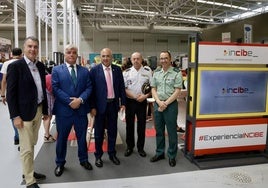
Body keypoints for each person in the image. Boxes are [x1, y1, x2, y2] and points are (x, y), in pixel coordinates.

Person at [6, 36, 48, 188]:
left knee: (33, 143)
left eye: (35, 47)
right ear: (24, 48)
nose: (33, 49)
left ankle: (28, 170)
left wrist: (45, 110)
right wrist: (15, 116)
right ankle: (30, 180)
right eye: (30, 46)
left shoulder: (41, 66)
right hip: (23, 114)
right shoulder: (16, 67)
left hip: (37, 110)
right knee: (26, 147)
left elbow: (42, 90)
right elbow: (11, 94)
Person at [52, 44, 93, 177]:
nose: (71, 54)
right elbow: (55, 88)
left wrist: (80, 100)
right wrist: (70, 101)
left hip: (80, 110)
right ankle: (60, 163)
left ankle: (84, 160)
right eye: (69, 52)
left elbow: (89, 88)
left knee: (82, 138)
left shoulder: (84, 71)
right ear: (65, 54)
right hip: (64, 111)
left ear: (77, 55)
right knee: (62, 138)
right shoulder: (57, 70)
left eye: (74, 52)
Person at [89, 48, 126, 168]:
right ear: (100, 57)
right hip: (99, 107)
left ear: (112, 57)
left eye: (108, 56)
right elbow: (92, 91)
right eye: (103, 56)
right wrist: (92, 107)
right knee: (99, 133)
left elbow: (121, 87)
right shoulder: (94, 70)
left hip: (113, 105)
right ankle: (98, 156)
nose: (105, 58)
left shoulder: (117, 70)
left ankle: (112, 153)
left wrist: (123, 103)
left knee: (113, 131)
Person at [150, 51, 183, 167]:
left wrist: (165, 103)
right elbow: (153, 88)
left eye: (165, 58)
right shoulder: (156, 72)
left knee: (172, 131)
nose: (163, 60)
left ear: (170, 59)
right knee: (159, 130)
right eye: (161, 58)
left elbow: (177, 90)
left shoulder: (176, 73)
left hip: (171, 106)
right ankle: (159, 153)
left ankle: (171, 155)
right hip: (158, 104)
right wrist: (159, 102)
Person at [123, 52, 152, 157]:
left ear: (141, 59)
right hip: (130, 102)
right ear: (131, 60)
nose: (136, 60)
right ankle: (129, 147)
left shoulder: (148, 71)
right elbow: (124, 89)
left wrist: (145, 96)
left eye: (138, 58)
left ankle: (141, 148)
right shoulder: (126, 72)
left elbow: (151, 88)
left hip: (142, 102)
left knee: (141, 126)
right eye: (134, 59)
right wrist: (135, 97)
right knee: (129, 125)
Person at [1, 48, 23, 146]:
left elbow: (4, 80)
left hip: (11, 93)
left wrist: (3, 94)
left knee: (14, 115)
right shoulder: (24, 63)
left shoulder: (6, 64)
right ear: (21, 54)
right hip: (23, 94)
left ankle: (17, 137)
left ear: (11, 54)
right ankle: (21, 137)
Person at [43, 73, 56, 143]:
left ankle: (46, 134)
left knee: (46, 115)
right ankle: (47, 136)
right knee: (48, 116)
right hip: (48, 93)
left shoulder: (49, 76)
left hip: (44, 93)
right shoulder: (54, 79)